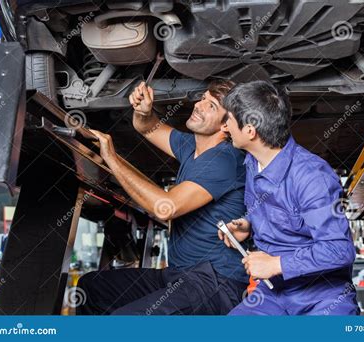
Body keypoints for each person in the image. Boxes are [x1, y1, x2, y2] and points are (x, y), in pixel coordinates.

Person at [77, 80, 248, 315]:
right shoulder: (191, 147)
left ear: (227, 126)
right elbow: (148, 127)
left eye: (211, 106)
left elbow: (165, 208)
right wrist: (143, 111)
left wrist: (112, 159)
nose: (199, 105)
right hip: (179, 274)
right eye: (202, 98)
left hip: (216, 283)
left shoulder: (224, 159)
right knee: (92, 288)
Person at [219, 80, 359, 315]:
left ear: (250, 131)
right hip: (274, 293)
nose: (224, 127)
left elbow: (339, 250)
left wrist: (276, 264)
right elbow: (282, 214)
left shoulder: (312, 177)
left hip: (322, 297)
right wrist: (249, 226)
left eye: (229, 120)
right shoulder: (253, 163)